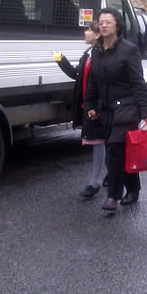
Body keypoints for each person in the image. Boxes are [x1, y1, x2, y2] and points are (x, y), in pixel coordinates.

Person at [84, 8, 147, 212]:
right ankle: (133, 189)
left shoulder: (129, 50)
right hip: (106, 111)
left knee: (115, 150)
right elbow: (93, 82)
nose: (104, 25)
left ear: (117, 25)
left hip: (128, 108)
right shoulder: (96, 52)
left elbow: (138, 83)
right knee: (123, 153)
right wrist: (90, 105)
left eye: (108, 22)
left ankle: (112, 196)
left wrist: (146, 112)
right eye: (101, 22)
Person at [55, 22, 107, 198]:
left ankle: (94, 183)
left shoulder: (102, 54)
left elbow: (104, 85)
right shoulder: (89, 53)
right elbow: (76, 74)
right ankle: (110, 176)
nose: (85, 33)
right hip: (88, 106)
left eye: (88, 30)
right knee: (100, 142)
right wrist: (60, 60)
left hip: (98, 108)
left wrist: (98, 107)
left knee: (98, 143)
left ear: (97, 35)